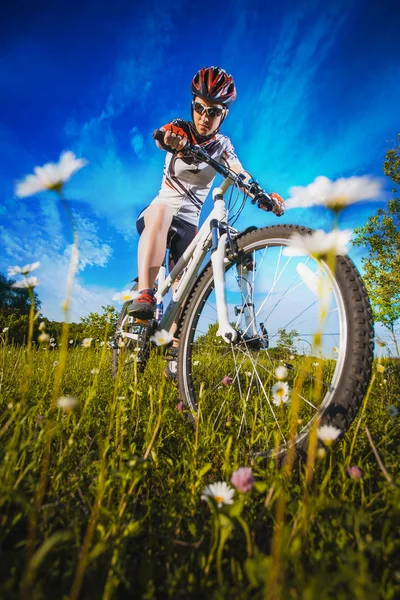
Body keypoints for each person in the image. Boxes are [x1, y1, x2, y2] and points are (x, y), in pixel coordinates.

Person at [129, 66, 285, 320]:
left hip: (189, 225)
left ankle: (176, 351)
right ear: (192, 106)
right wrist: (171, 139)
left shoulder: (222, 144)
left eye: (213, 112)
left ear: (223, 115)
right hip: (159, 213)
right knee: (160, 212)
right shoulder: (181, 127)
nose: (204, 117)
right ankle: (145, 293)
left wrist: (262, 196)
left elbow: (238, 171)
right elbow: (161, 137)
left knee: (181, 304)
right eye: (200, 108)